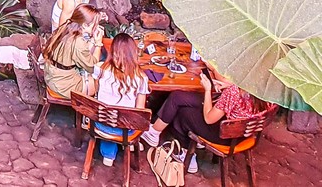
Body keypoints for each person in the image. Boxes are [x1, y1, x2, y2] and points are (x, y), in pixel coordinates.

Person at [141, 66, 275, 173]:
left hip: (223, 136)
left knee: (183, 113)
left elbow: (209, 119)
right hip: (246, 135)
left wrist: (207, 90)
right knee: (178, 98)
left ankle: (187, 154)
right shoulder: (267, 94)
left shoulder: (233, 92)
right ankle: (155, 132)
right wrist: (227, 88)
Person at [92, 33, 150, 167]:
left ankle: (108, 155)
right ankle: (125, 144)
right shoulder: (141, 78)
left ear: (112, 51)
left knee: (111, 116)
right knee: (124, 120)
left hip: (100, 123)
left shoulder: (100, 69)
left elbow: (95, 90)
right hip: (125, 129)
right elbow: (139, 111)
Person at [42, 4, 104, 98]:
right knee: (103, 83)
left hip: (52, 77)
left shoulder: (66, 28)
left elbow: (81, 52)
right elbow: (92, 67)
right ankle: (88, 110)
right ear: (84, 25)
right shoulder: (78, 41)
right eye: (95, 24)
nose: (97, 26)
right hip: (64, 86)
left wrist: (92, 40)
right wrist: (98, 43)